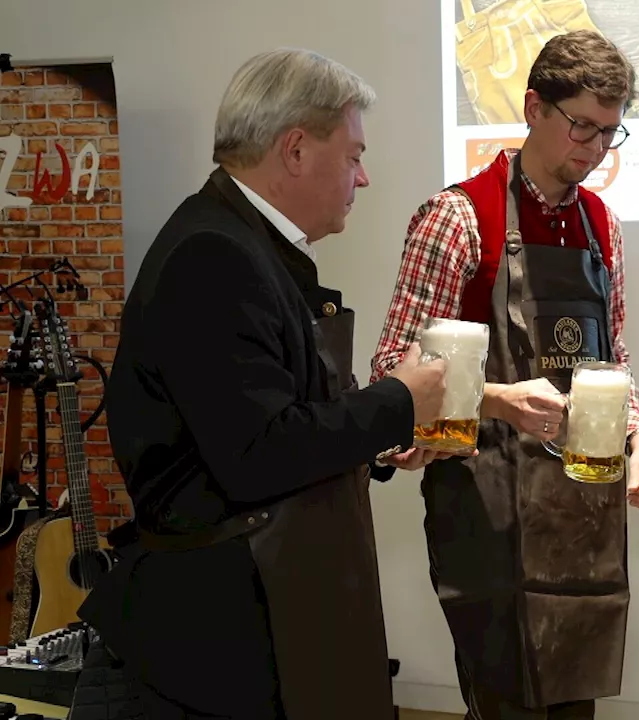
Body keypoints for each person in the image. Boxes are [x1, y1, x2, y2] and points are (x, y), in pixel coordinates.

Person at [77, 48, 451, 720]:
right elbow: (257, 454)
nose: (362, 178)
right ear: (297, 149)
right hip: (212, 640)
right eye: (354, 154)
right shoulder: (213, 256)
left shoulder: (246, 245)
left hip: (258, 612)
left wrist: (381, 437)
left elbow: (276, 411)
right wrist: (398, 399)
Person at [369, 29, 639, 720]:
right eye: (582, 128)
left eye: (610, 133)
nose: (595, 151)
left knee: (573, 705)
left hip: (581, 518)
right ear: (534, 107)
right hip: (487, 514)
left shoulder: (603, 225)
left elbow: (612, 358)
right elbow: (393, 367)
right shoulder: (457, 219)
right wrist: (502, 400)